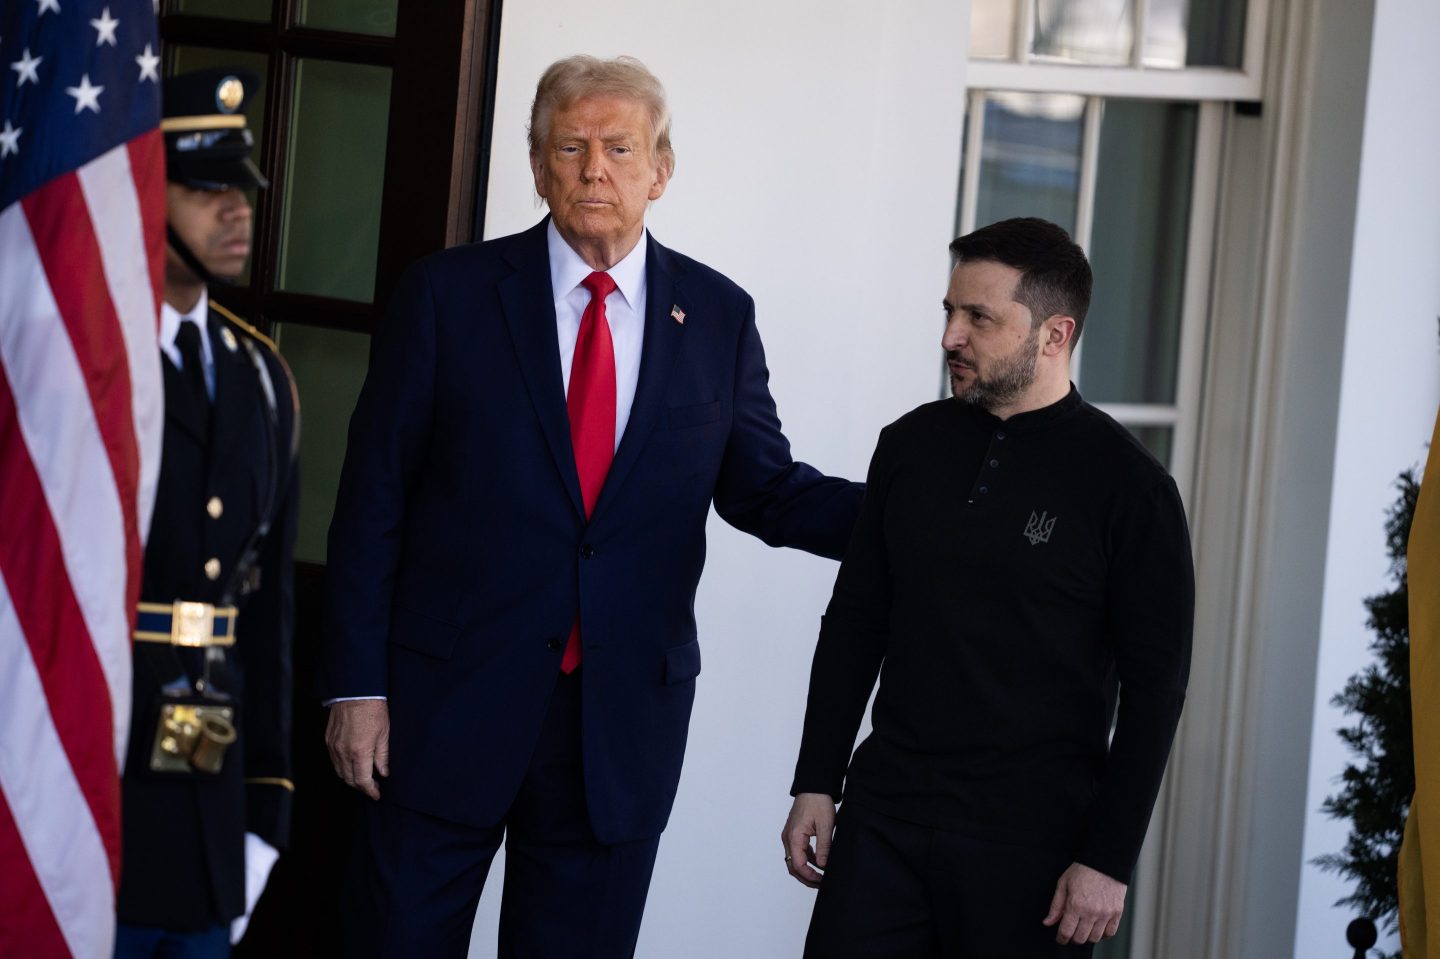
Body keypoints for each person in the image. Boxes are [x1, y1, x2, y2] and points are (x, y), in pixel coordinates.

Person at [319, 54, 862, 958]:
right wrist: (356, 685)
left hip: (615, 732)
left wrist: (914, 517)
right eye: (569, 146)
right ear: (536, 167)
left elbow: (764, 488)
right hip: (438, 714)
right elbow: (372, 500)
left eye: (619, 147)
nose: (593, 168)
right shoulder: (448, 297)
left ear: (662, 168)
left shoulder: (718, 315)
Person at [781, 217, 1194, 957]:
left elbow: (1156, 688)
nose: (951, 336)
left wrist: (1107, 857)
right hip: (885, 820)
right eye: (949, 311)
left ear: (1054, 333)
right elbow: (855, 621)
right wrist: (817, 777)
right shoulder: (908, 446)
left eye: (980, 317)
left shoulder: (1131, 488)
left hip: (1033, 849)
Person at [116, 68, 300, 958]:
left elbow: (265, 617)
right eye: (204, 189)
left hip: (208, 798)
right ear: (146, 193)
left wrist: (267, 804)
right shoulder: (83, 361)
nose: (237, 210)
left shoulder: (262, 377)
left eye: (243, 189)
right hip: (84, 788)